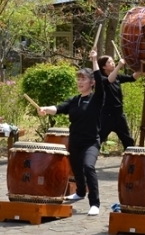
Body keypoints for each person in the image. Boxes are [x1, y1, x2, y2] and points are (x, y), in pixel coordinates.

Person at [37, 50, 104, 216]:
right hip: (75, 141)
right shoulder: (74, 100)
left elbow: (102, 83)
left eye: (84, 79)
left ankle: (94, 203)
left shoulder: (97, 98)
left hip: (91, 142)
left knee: (88, 167)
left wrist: (95, 60)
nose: (80, 82)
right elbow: (58, 108)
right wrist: (46, 109)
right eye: (78, 78)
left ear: (92, 82)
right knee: (76, 169)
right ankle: (80, 192)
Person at [98, 55, 144, 150]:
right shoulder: (100, 78)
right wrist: (119, 66)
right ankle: (86, 158)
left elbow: (132, 78)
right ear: (103, 67)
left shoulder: (117, 76)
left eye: (112, 61)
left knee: (128, 140)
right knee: (98, 139)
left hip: (119, 114)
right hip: (107, 115)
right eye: (109, 62)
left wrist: (140, 69)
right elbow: (109, 80)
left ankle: (131, 162)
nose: (113, 63)